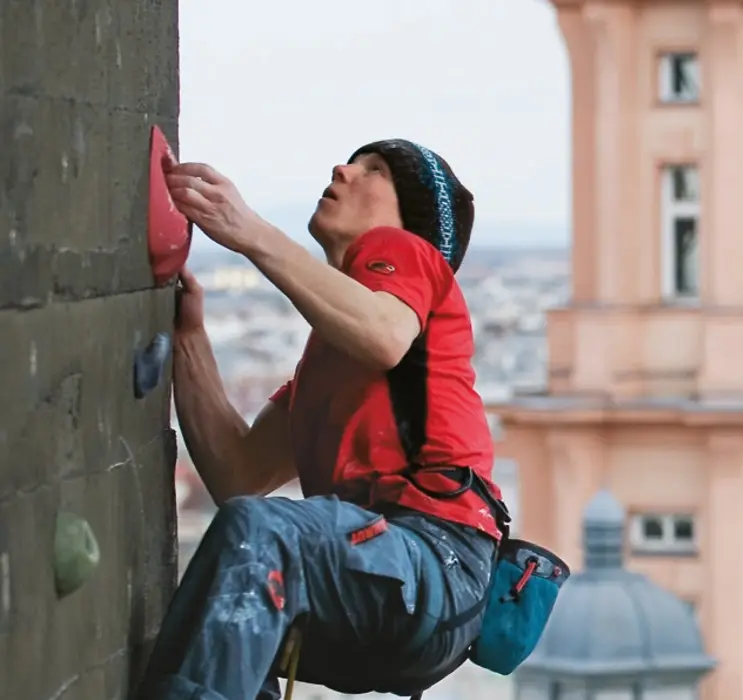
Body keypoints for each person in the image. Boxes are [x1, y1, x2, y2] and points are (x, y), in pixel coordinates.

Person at [141, 140, 504, 700]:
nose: (344, 169)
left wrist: (248, 232)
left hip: (434, 558)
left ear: (412, 223)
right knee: (223, 616)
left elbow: (384, 334)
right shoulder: (329, 365)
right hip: (396, 598)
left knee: (261, 539)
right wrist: (189, 339)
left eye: (375, 170)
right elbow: (237, 473)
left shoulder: (405, 251)